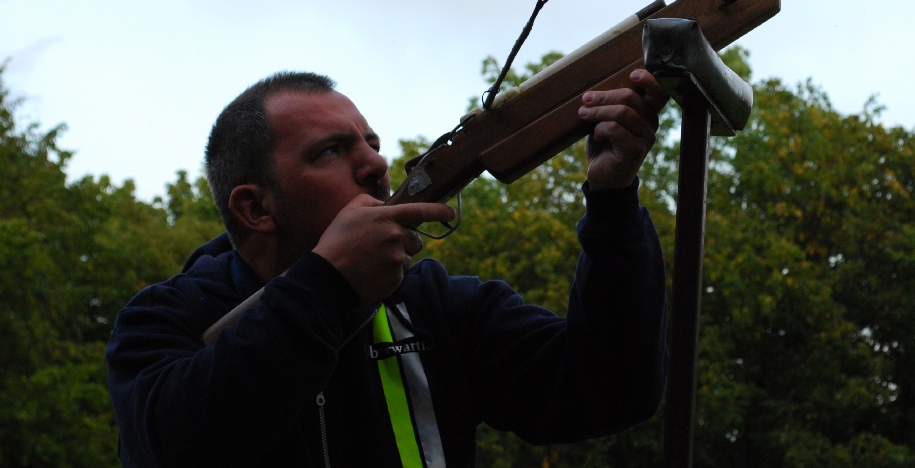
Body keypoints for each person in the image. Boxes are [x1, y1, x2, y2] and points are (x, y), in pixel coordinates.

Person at [106, 69, 670, 467]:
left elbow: (613, 390)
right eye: (331, 151)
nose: (376, 163)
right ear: (255, 209)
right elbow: (177, 446)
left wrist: (613, 198)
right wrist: (328, 285)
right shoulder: (161, 322)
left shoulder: (440, 305)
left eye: (370, 143)